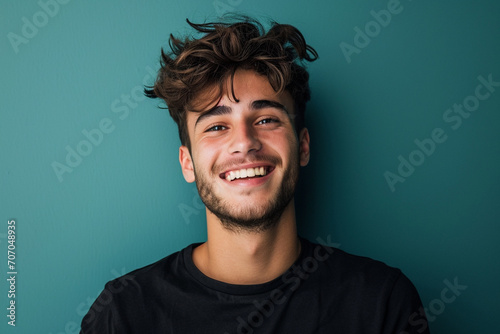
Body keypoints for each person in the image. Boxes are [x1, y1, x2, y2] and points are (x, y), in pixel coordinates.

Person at [80, 16, 430, 334]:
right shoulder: (123, 314)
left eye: (266, 120)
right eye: (217, 126)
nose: (244, 142)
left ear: (303, 147)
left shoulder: (382, 303)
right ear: (187, 163)